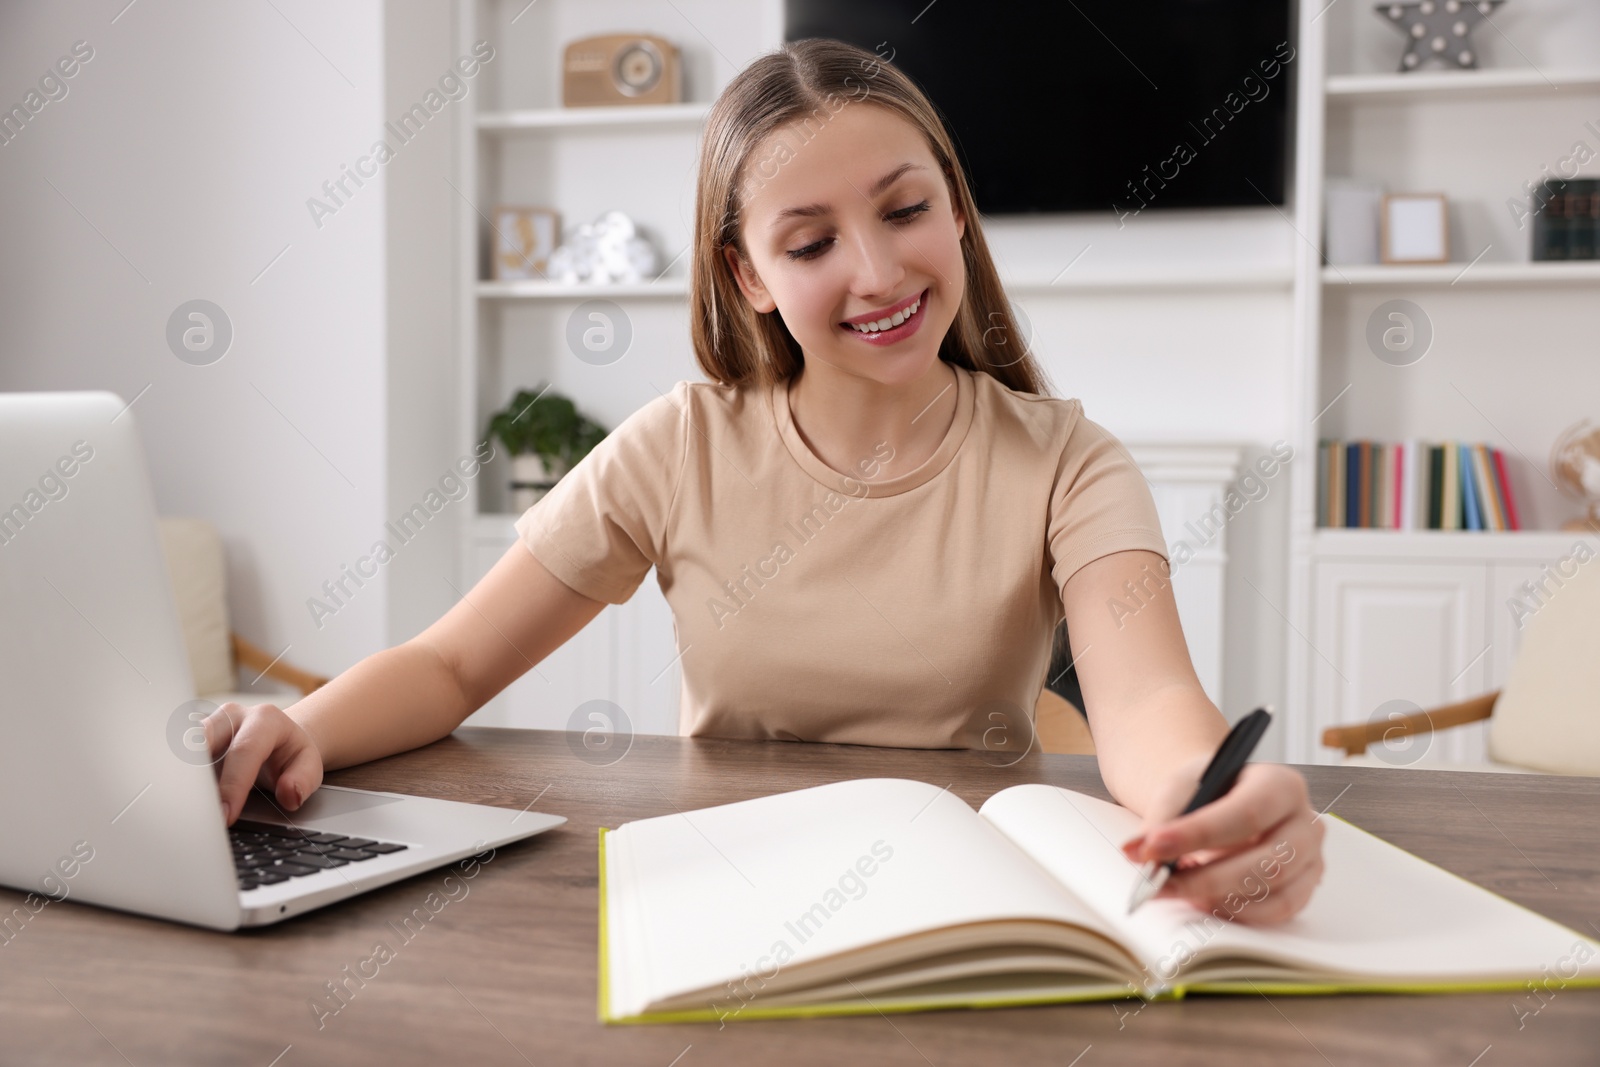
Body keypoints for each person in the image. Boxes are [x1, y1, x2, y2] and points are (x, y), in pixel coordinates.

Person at [209, 39, 1323, 923]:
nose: (878, 272)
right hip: (725, 890)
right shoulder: (674, 446)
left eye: (903, 210)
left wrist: (1202, 800)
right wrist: (298, 726)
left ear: (953, 206)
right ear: (745, 274)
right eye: (810, 242)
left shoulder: (1070, 460)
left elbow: (1142, 703)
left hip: (968, 901)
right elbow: (451, 663)